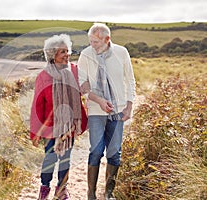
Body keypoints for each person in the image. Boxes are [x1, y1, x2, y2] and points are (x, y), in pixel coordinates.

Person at [77, 23, 136, 200]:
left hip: (118, 111)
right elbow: (83, 85)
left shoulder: (121, 53)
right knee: (96, 151)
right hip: (96, 110)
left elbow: (130, 80)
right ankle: (91, 193)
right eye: (90, 41)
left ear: (107, 39)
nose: (92, 45)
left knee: (114, 152)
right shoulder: (86, 55)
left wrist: (129, 105)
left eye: (95, 42)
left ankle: (109, 193)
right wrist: (100, 101)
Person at [30, 34, 87, 200]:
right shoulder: (44, 76)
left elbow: (83, 91)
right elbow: (37, 104)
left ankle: (61, 190)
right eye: (62, 51)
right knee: (50, 159)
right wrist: (36, 132)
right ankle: (44, 188)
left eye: (67, 50)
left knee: (65, 159)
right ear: (52, 54)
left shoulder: (74, 71)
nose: (67, 54)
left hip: (68, 125)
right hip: (50, 126)